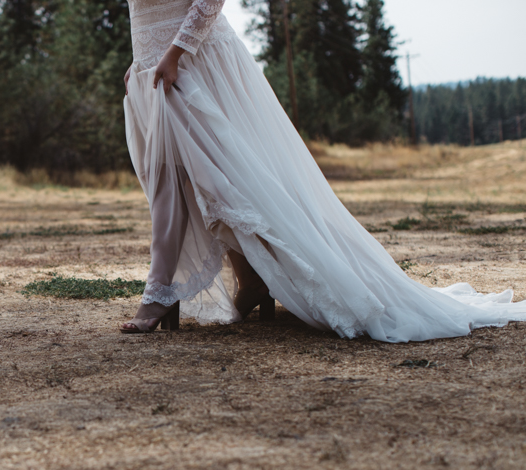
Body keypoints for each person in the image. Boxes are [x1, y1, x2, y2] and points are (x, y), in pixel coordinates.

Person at [118, 0, 526, 342]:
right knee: (174, 179)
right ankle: (244, 283)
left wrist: (173, 53)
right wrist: (139, 60)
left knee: (225, 182)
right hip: (152, 67)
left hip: (196, 62)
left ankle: (166, 293)